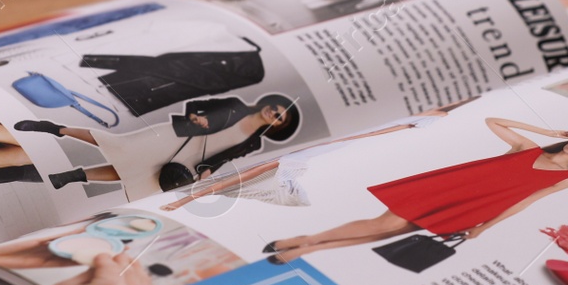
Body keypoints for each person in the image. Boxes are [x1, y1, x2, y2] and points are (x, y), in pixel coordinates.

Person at [266, 117, 568, 262]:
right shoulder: (529, 148)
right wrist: (549, 133)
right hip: (447, 189)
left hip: (476, 208)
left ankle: (302, 251)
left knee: (391, 233)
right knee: (383, 224)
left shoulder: (567, 180)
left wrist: (483, 227)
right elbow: (494, 121)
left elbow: (525, 203)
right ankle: (303, 241)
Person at [159, 99, 476, 211]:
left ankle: (192, 194)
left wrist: (358, 136)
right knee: (269, 163)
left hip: (344, 137)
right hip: (338, 130)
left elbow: (386, 131)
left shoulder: (437, 116)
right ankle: (199, 186)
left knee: (270, 166)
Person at [14, 94, 299, 195]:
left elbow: (222, 158)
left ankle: (73, 176)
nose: (273, 112)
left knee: (137, 173)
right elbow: (198, 104)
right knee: (122, 147)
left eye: (279, 117)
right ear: (268, 104)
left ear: (277, 126)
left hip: (191, 159)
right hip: (177, 134)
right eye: (275, 107)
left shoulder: (252, 143)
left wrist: (207, 172)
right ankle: (54, 128)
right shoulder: (236, 105)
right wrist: (197, 117)